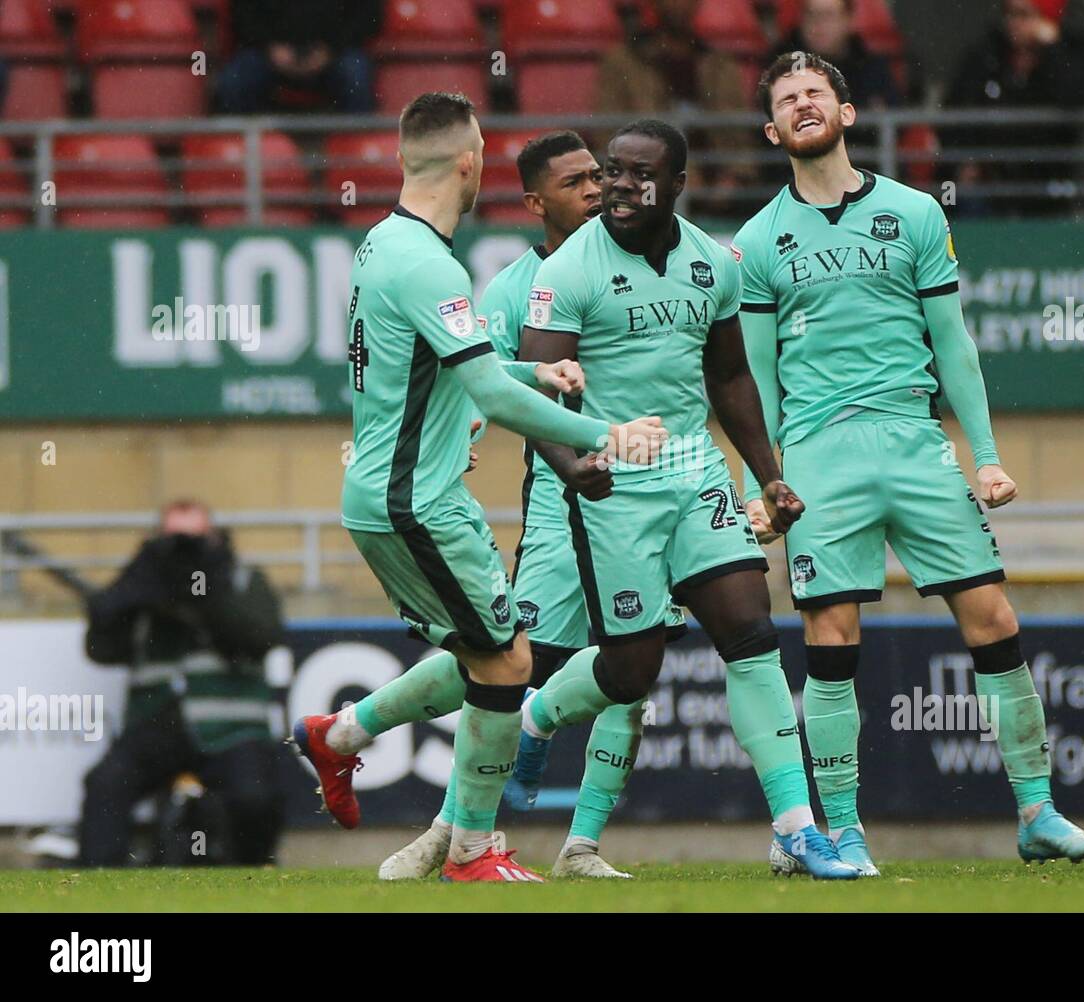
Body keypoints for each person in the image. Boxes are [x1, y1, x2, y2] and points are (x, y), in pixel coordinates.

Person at [732, 52, 1084, 870]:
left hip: (914, 441)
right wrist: (761, 484)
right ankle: (842, 831)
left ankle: (1039, 814)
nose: (804, 105)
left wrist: (987, 457)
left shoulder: (912, 213)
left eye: (816, 93)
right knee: (832, 638)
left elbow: (954, 343)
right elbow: (754, 378)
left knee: (997, 623)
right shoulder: (758, 240)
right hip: (817, 456)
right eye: (787, 99)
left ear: (848, 112)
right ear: (772, 130)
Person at [290, 93, 666, 884]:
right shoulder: (433, 264)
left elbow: (450, 365)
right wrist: (610, 433)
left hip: (383, 495)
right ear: (470, 163)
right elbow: (489, 400)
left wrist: (534, 369)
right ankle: (469, 850)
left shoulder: (383, 246)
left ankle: (343, 738)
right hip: (419, 502)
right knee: (506, 664)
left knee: (484, 654)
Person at [503, 118, 859, 880]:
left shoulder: (713, 262)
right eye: (611, 173)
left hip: (696, 473)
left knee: (750, 631)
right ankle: (537, 715)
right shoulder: (567, 272)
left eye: (638, 176)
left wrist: (768, 473)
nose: (618, 189)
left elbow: (730, 377)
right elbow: (535, 394)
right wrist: (571, 467)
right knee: (631, 674)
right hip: (613, 483)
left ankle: (798, 828)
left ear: (676, 184)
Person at [379, 131, 688, 881]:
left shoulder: (652, 259)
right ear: (533, 201)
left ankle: (581, 846)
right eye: (576, 180)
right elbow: (473, 381)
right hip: (560, 499)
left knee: (633, 672)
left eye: (599, 175)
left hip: (654, 493)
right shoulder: (515, 288)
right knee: (512, 663)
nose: (594, 188)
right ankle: (446, 827)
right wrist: (463, 439)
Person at [79, 499, 284, 866]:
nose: (183, 550)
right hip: (158, 722)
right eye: (175, 540)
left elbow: (259, 639)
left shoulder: (243, 579)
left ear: (217, 539)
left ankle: (254, 871)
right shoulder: (146, 580)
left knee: (254, 797)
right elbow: (101, 647)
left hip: (232, 727)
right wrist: (140, 579)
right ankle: (97, 878)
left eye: (195, 540)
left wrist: (206, 587)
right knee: (107, 783)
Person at [595, 0, 755, 209]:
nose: (680, 5)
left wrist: (734, 176)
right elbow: (607, 132)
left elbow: (740, 132)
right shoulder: (623, 63)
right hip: (647, 187)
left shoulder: (719, 65)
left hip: (721, 192)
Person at [942, 0, 1084, 216]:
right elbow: (955, 110)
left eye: (1024, 15)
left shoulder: (1073, 49)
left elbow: (1075, 97)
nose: (1014, 23)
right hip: (989, 185)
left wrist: (1052, 47)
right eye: (1010, 14)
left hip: (1048, 183)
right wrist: (966, 160)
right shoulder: (987, 52)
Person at [215, 0, 381, 114]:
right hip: (267, 54)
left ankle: (355, 157)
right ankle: (241, 157)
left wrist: (329, 50)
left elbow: (368, 16)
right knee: (233, 82)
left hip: (335, 54)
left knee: (355, 76)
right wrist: (270, 48)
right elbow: (241, 14)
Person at [768, 0, 900, 111]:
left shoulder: (871, 66)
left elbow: (892, 123)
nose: (819, 24)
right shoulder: (780, 63)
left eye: (828, 15)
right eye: (811, 14)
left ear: (849, 20)